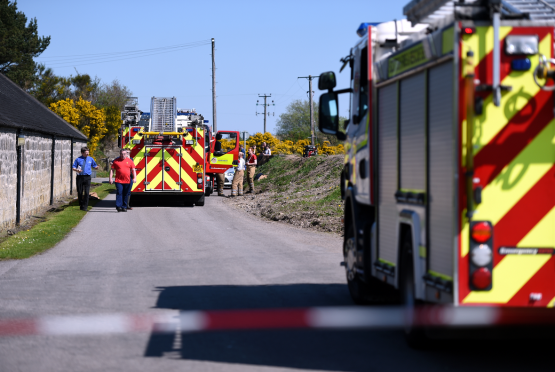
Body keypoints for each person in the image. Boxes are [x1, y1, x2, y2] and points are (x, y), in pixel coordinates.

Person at [72, 146, 99, 211]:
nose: (87, 154)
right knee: (80, 192)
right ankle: (81, 205)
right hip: (80, 177)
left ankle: (85, 206)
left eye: (88, 152)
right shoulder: (78, 159)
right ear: (82, 153)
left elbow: (94, 165)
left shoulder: (90, 159)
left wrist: (96, 167)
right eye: (86, 153)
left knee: (87, 192)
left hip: (87, 177)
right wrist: (77, 170)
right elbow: (73, 167)